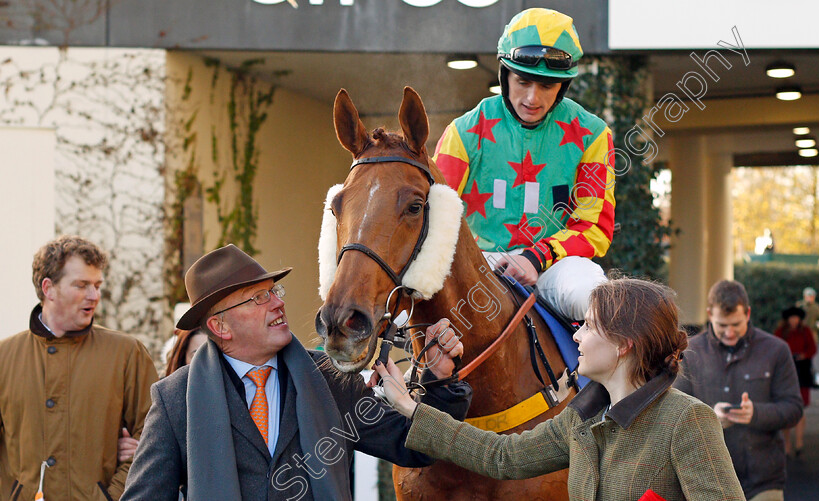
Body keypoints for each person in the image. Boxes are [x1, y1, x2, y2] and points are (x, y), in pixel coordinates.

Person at [122, 244, 471, 501]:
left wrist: (438, 377)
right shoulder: (173, 399)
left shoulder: (329, 377)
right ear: (220, 326)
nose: (278, 302)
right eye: (257, 298)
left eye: (273, 291)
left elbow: (412, 446)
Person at [373, 278, 745, 501]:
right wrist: (411, 408)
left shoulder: (688, 419)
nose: (577, 335)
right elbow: (501, 456)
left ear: (623, 344)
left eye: (589, 326)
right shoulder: (579, 419)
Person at [433, 7, 615, 320]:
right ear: (504, 74)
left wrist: (536, 256)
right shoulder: (464, 131)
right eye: (523, 81)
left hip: (554, 264)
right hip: (479, 261)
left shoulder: (593, 134)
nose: (532, 98)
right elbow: (435, 213)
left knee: (597, 301)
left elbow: (594, 225)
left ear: (563, 87)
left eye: (546, 86)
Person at [0, 235, 158, 500]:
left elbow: (155, 438)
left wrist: (110, 497)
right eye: (82, 285)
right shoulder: (4, 357)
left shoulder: (127, 354)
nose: (94, 296)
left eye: (97, 285)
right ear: (48, 288)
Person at [674, 280, 803, 501]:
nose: (730, 332)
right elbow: (674, 412)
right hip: (706, 479)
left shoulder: (776, 350)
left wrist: (756, 414)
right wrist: (711, 417)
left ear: (748, 313)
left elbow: (794, 409)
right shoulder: (691, 352)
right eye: (722, 325)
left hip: (763, 479)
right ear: (709, 315)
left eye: (736, 324)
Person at [773, 306, 817, 458]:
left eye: (796, 318)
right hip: (785, 371)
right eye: (791, 318)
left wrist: (804, 355)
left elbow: (813, 348)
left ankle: (799, 442)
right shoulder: (781, 332)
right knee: (786, 407)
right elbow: (775, 349)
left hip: (802, 371)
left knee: (802, 407)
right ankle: (786, 444)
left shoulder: (805, 332)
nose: (794, 320)